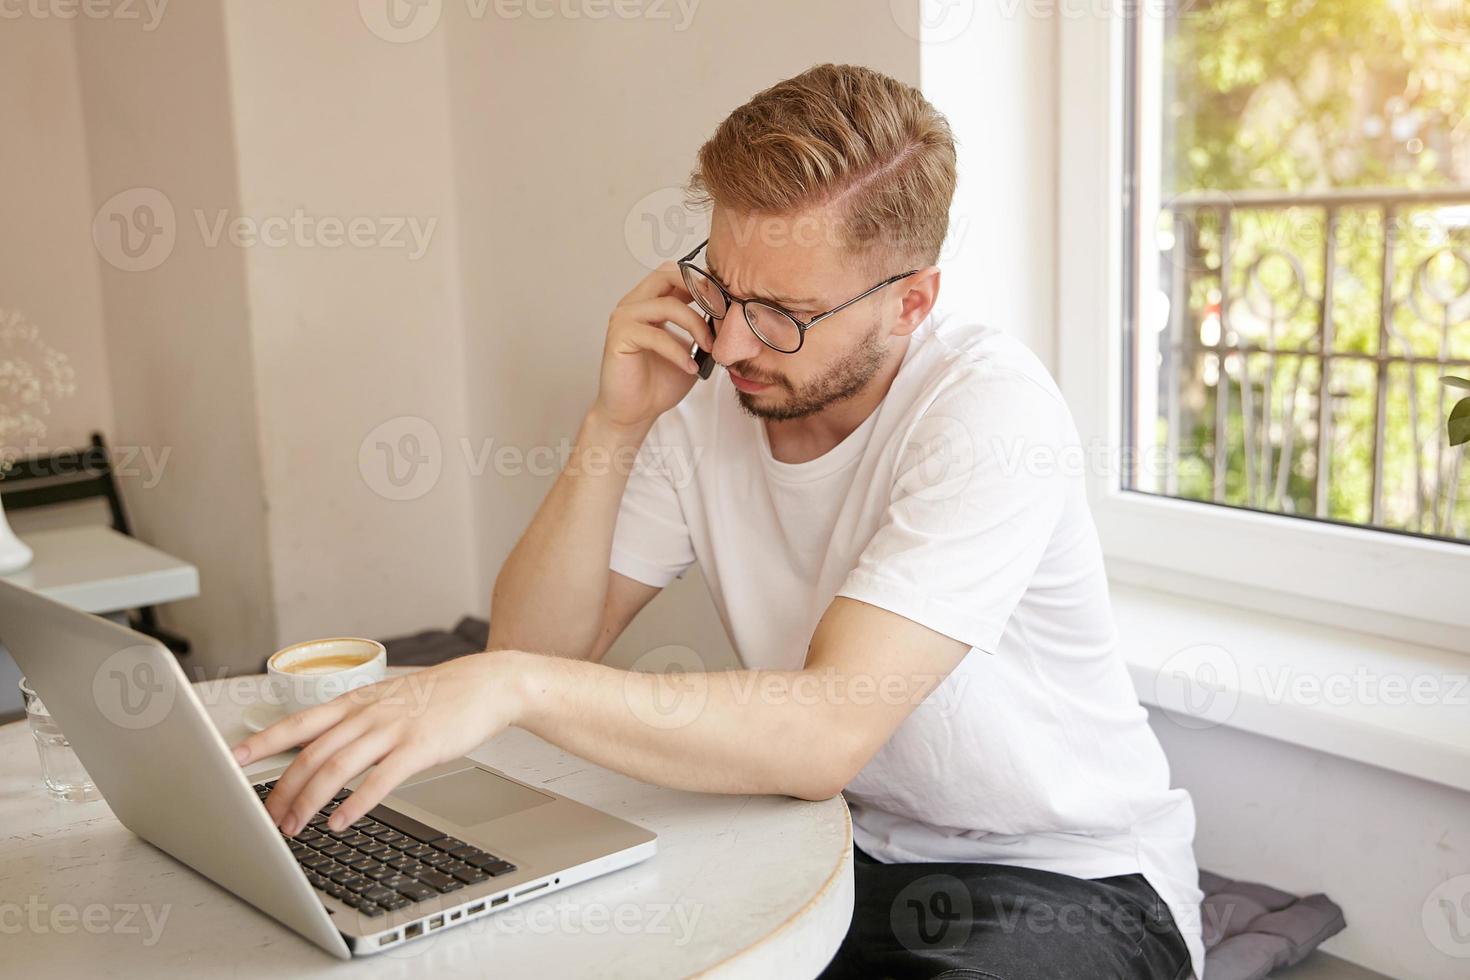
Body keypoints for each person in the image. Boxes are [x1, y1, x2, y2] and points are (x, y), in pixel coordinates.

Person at [234, 63, 1202, 979]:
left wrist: (513, 682)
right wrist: (615, 422)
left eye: (782, 312)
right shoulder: (708, 397)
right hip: (839, 841)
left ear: (911, 301)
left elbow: (823, 732)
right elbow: (540, 642)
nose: (731, 340)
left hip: (1069, 876)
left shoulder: (990, 413)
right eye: (723, 287)